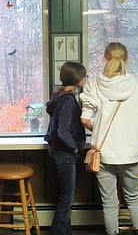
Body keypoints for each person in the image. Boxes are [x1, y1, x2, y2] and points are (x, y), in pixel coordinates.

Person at [80, 42, 138, 235]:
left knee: (110, 203)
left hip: (104, 155)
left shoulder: (94, 84)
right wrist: (131, 130)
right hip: (130, 153)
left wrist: (102, 129)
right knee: (133, 198)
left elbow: (84, 119)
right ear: (126, 61)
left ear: (105, 59)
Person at [44, 61, 87, 235]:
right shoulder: (68, 101)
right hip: (65, 153)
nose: (85, 79)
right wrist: (74, 148)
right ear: (78, 79)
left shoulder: (59, 96)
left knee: (65, 198)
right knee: (66, 200)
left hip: (58, 151)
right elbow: (63, 131)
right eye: (84, 76)